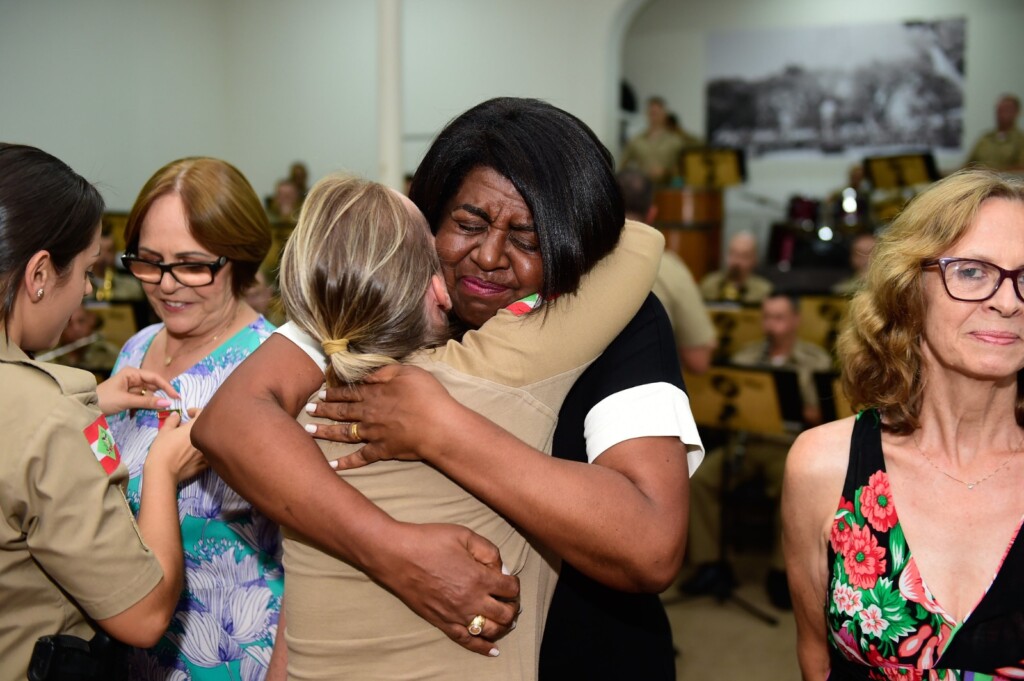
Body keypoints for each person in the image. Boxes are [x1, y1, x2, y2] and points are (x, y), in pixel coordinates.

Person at [193, 97, 700, 680]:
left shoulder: (621, 322)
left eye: (528, 239)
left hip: (590, 654)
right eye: (467, 225)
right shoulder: (371, 307)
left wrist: (441, 430)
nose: (487, 258)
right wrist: (395, 551)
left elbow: (650, 545)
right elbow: (231, 423)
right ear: (426, 219)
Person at [783, 168, 1024, 679]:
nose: (1007, 301)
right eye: (972, 271)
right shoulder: (823, 466)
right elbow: (816, 657)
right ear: (909, 289)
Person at [0, 143, 206, 680]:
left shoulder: (59, 405)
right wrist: (162, 469)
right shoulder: (51, 421)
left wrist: (87, 400)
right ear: (40, 272)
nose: (86, 292)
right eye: (86, 270)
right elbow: (143, 616)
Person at [108, 157, 283, 679]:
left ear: (240, 259)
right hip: (130, 650)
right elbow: (109, 476)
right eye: (148, 261)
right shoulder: (136, 349)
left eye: (191, 263)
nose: (165, 284)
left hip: (233, 657)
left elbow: (313, 551)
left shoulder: (271, 369)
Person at [683, 292, 832, 609]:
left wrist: (790, 407)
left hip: (787, 447)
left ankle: (781, 573)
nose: (771, 325)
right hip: (746, 443)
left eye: (779, 318)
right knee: (700, 481)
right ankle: (712, 564)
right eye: (767, 317)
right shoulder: (746, 356)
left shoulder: (815, 359)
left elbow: (825, 414)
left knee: (796, 491)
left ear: (795, 320)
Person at [618, 168, 716, 374]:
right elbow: (699, 360)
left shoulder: (574, 260)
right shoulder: (668, 268)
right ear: (652, 213)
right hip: (643, 397)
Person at [620, 96, 693, 186]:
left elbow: (686, 168)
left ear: (664, 114)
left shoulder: (676, 141)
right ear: (647, 114)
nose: (654, 116)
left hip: (667, 190)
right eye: (652, 113)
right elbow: (622, 166)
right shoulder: (636, 140)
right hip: (642, 189)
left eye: (657, 113)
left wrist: (666, 171)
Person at [699, 231, 774, 304]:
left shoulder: (764, 291)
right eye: (733, 254)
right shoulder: (709, 284)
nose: (736, 262)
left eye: (744, 256)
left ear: (754, 260)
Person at [965, 94, 1024, 172]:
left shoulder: (1020, 140)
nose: (1002, 114)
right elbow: (968, 165)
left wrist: (992, 173)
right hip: (977, 181)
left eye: (1007, 110)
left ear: (1017, 112)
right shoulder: (985, 138)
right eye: (1000, 110)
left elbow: (1021, 168)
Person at [831, 231, 877, 296]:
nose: (865, 259)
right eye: (859, 253)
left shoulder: (890, 287)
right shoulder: (841, 289)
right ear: (851, 258)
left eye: (871, 253)